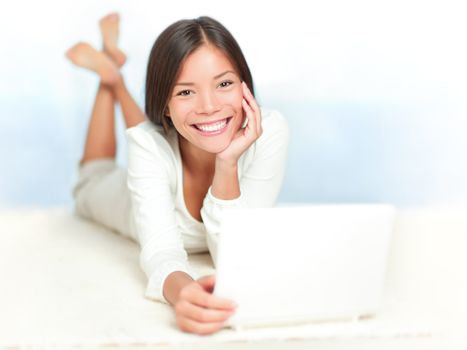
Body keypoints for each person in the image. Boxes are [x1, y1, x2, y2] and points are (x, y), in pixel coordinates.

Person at [66, 13, 289, 335]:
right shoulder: (149, 144)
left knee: (159, 135)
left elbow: (234, 253)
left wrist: (226, 164)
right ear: (166, 103)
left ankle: (113, 74)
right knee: (92, 177)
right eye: (185, 92)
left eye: (224, 84)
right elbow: (161, 253)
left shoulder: (269, 131)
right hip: (120, 196)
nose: (209, 105)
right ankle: (109, 80)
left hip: (166, 142)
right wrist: (184, 292)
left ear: (244, 86)